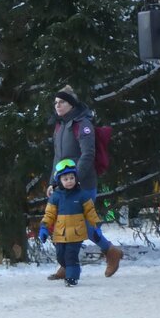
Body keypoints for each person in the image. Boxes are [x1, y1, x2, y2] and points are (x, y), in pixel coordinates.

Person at [47, 86, 122, 278]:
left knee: (82, 224)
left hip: (83, 184)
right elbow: (58, 157)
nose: (57, 106)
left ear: (71, 104)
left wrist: (75, 179)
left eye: (61, 102)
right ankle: (66, 264)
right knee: (61, 222)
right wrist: (53, 182)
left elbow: (88, 154)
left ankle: (110, 251)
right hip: (64, 184)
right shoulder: (60, 125)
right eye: (55, 103)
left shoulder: (83, 123)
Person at [38, 159, 102, 287]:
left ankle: (72, 277)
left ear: (76, 178)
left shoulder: (82, 195)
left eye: (71, 178)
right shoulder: (55, 197)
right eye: (65, 179)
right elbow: (50, 214)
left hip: (76, 233)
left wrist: (97, 227)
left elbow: (90, 212)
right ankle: (69, 269)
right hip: (60, 233)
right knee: (61, 256)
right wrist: (44, 228)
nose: (69, 181)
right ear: (59, 181)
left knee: (71, 255)